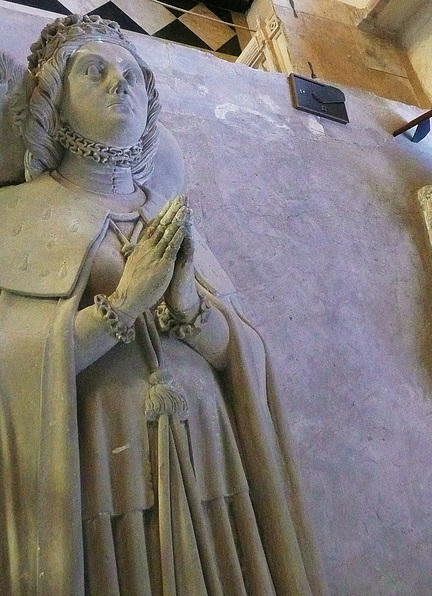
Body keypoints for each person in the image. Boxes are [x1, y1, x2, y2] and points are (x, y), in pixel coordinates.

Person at [0, 14, 325, 595]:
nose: (116, 83)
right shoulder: (18, 217)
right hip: (106, 461)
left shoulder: (167, 211)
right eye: (93, 71)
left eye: (131, 74)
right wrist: (121, 308)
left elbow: (239, 352)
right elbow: (11, 366)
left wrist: (187, 310)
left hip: (211, 449)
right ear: (52, 98)